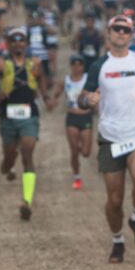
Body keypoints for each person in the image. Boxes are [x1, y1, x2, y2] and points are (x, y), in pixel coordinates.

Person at [77, 15, 135, 264]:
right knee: (115, 199)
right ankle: (118, 240)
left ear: (131, 35)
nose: (121, 33)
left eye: (125, 30)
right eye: (116, 29)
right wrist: (88, 100)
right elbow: (82, 96)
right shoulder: (99, 66)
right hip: (110, 137)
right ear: (108, 33)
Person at [0, 26, 50, 221]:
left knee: (28, 153)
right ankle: (7, 165)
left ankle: (26, 201)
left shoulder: (35, 63)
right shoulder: (1, 64)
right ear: (9, 44)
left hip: (29, 114)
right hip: (7, 116)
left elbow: (43, 81)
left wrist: (46, 97)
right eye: (14, 41)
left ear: (27, 44)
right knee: (10, 157)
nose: (18, 44)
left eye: (22, 41)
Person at [49, 54, 93, 190]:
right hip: (72, 117)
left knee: (86, 152)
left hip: (85, 116)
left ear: (83, 66)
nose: (76, 67)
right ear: (71, 66)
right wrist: (54, 99)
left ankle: (81, 148)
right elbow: (57, 92)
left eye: (79, 64)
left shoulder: (88, 80)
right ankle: (77, 177)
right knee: (74, 150)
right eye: (74, 64)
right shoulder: (66, 80)